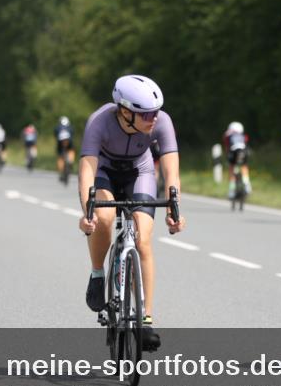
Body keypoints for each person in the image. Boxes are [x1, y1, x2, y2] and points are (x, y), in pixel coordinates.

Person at [77, 75, 187, 350]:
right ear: (125, 112)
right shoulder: (99, 122)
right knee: (104, 218)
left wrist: (174, 209)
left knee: (143, 239)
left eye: (156, 111)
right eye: (146, 113)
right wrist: (87, 212)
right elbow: (87, 171)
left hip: (140, 171)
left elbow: (171, 169)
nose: (153, 117)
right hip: (105, 173)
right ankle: (98, 273)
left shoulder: (161, 121)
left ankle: (145, 320)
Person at [223, 121, 251, 198]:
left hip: (233, 152)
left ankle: (231, 191)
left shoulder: (228, 135)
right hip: (243, 152)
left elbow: (227, 147)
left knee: (231, 169)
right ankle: (247, 184)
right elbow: (246, 145)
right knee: (244, 166)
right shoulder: (244, 136)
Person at [55, 116, 75, 181]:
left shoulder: (58, 127)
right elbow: (72, 133)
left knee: (60, 157)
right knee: (71, 150)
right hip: (69, 142)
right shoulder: (70, 127)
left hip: (60, 143)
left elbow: (55, 134)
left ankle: (61, 172)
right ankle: (71, 162)